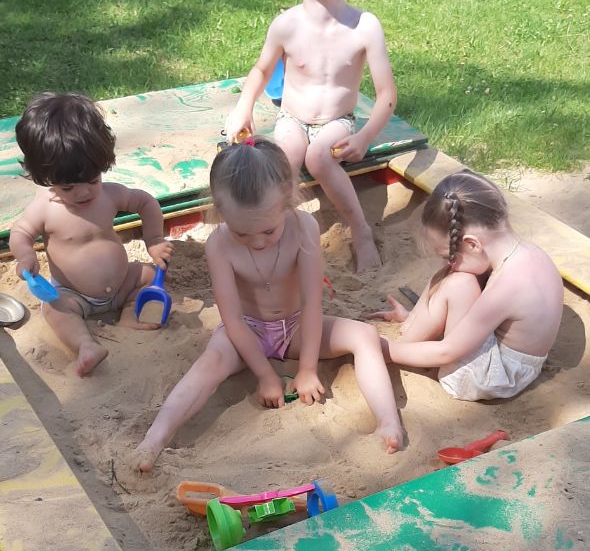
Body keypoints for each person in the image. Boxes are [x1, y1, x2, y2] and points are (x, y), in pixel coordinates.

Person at [134, 139, 402, 470]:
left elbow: (312, 303)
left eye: (268, 230)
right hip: (247, 329)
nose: (257, 242)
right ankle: (154, 439)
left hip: (297, 325)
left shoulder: (304, 228)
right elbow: (232, 318)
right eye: (242, 234)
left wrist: (307, 369)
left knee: (365, 336)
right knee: (209, 362)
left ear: (289, 199)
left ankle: (388, 422)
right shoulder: (218, 244)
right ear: (220, 212)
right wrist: (265, 374)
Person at [223, 0, 397, 274]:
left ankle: (360, 230)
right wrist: (243, 108)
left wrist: (364, 137)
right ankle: (277, 231)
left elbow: (387, 95)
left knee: (319, 157)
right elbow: (261, 71)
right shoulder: (286, 26)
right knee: (281, 162)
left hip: (337, 122)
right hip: (292, 118)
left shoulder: (364, 26)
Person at [9, 92, 172, 376]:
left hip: (122, 283)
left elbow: (146, 202)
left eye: (92, 180)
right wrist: (25, 257)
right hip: (75, 295)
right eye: (68, 188)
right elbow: (21, 232)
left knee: (148, 274)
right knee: (54, 308)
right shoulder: (45, 208)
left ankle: (128, 315)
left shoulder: (109, 195)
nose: (83, 192)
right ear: (46, 177)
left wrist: (154, 240)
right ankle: (86, 345)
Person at [369, 171, 563, 400]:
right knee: (453, 275)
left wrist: (387, 350)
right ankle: (415, 323)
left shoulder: (507, 288)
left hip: (492, 377)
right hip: (524, 365)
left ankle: (404, 341)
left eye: (449, 256)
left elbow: (446, 352)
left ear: (472, 244)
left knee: (458, 283)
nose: (448, 263)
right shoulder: (528, 255)